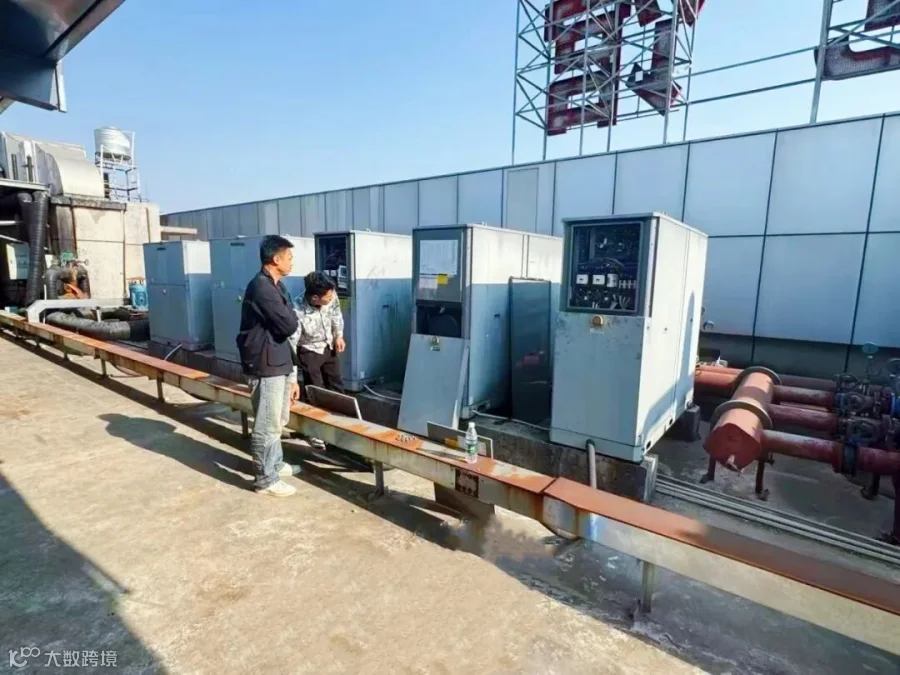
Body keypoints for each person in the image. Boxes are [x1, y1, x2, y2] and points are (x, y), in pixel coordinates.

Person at [236, 235, 303, 497]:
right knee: (267, 423)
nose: (292, 262)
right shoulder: (261, 288)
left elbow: (289, 319)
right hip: (265, 363)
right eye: (289, 257)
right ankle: (265, 479)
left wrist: (292, 376)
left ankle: (274, 464)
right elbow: (289, 324)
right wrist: (289, 320)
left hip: (279, 360)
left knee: (278, 419)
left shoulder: (277, 286)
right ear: (276, 259)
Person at [291, 270, 345, 449]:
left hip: (328, 345)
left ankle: (341, 426)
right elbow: (291, 343)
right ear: (315, 298)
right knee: (314, 390)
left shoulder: (331, 294)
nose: (331, 298)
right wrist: (292, 379)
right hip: (309, 350)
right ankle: (314, 431)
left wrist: (338, 335)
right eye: (327, 298)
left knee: (336, 385)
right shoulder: (297, 309)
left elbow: (336, 314)